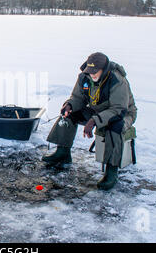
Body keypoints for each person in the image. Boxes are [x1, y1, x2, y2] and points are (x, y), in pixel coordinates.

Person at [43, 52, 137, 190]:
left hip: (122, 113)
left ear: (104, 69)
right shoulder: (84, 77)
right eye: (90, 70)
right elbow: (77, 98)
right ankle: (62, 152)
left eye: (95, 71)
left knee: (115, 127)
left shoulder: (117, 80)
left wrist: (94, 121)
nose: (92, 74)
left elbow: (118, 109)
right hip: (97, 110)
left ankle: (112, 171)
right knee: (69, 115)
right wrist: (69, 105)